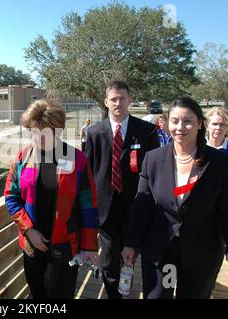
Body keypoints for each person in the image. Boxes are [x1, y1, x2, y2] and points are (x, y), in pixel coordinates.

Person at [122, 97, 228, 299]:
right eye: (175, 120)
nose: (180, 127)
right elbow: (142, 206)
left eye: (188, 121)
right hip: (162, 250)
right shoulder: (153, 159)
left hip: (201, 253)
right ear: (167, 123)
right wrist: (131, 243)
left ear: (199, 124)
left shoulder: (219, 162)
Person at [4, 99, 99, 299]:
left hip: (65, 245)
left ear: (57, 130)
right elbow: (11, 197)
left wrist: (89, 246)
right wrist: (29, 230)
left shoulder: (77, 159)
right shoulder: (23, 158)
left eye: (45, 132)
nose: (39, 137)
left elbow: (89, 206)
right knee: (38, 295)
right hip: (32, 244)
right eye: (34, 131)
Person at [85, 81, 160, 299]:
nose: (118, 103)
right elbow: (88, 172)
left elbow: (156, 170)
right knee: (109, 259)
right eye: (113, 99)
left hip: (137, 205)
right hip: (105, 209)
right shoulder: (94, 133)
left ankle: (132, 289)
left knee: (132, 256)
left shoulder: (146, 131)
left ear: (129, 100)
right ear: (106, 102)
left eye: (122, 98)